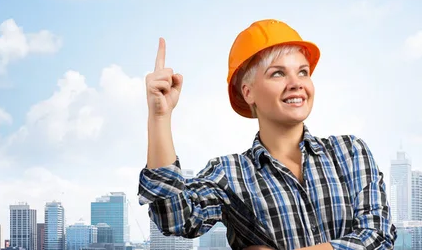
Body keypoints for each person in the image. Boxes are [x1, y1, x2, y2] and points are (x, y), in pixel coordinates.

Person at [138, 19, 397, 250]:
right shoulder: (230, 173)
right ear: (248, 92)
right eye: (278, 73)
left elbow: (378, 236)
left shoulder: (350, 152)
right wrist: (160, 117)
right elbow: (175, 218)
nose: (296, 83)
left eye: (303, 71)